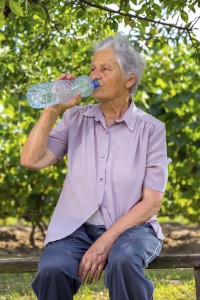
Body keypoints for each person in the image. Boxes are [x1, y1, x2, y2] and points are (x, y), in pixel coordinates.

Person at [20, 32, 171, 300]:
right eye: (92, 68)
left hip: (131, 229)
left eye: (105, 69)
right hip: (75, 228)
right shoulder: (74, 117)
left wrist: (106, 240)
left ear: (130, 79)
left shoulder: (151, 130)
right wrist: (52, 109)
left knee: (124, 260)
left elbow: (151, 203)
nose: (94, 75)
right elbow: (31, 160)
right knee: (53, 268)